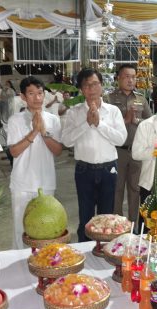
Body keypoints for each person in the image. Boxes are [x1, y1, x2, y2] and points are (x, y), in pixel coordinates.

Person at [62, 68, 127, 242]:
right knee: (86, 216)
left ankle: (105, 252)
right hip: (84, 170)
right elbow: (66, 141)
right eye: (87, 85)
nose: (91, 89)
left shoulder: (113, 111)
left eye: (95, 84)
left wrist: (99, 123)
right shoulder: (74, 112)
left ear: (101, 86)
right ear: (82, 89)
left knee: (107, 218)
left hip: (109, 169)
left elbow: (121, 139)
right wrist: (86, 123)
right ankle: (85, 254)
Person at [7, 76, 63, 249]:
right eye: (31, 94)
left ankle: (45, 265)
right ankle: (20, 262)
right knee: (21, 229)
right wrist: (34, 131)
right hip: (22, 183)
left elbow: (58, 151)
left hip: (46, 181)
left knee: (47, 227)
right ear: (23, 97)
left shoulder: (53, 119)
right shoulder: (15, 120)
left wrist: (44, 131)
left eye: (40, 93)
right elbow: (14, 152)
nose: (37, 98)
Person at [106, 64, 151, 226]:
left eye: (133, 77)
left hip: (136, 151)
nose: (130, 80)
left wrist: (137, 120)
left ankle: (133, 226)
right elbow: (105, 124)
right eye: (126, 76)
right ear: (118, 78)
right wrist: (125, 118)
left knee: (135, 189)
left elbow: (150, 122)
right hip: (117, 151)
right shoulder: (109, 99)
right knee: (116, 190)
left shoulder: (141, 99)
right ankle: (118, 225)